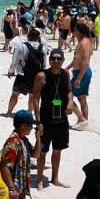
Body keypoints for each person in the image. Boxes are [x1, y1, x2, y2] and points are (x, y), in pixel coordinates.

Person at [32, 49, 73, 189]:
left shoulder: (65, 73)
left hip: (62, 120)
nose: (56, 61)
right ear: (49, 60)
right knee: (42, 152)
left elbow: (69, 91)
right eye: (53, 58)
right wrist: (38, 122)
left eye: (59, 58)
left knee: (57, 151)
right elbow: (35, 99)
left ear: (63, 60)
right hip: (46, 120)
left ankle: (55, 178)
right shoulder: (42, 76)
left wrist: (70, 102)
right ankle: (39, 179)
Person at [6, 28, 45, 116]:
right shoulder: (42, 47)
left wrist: (11, 70)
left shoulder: (23, 46)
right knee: (32, 95)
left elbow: (15, 59)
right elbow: (44, 62)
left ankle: (9, 112)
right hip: (36, 75)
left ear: (28, 36)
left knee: (15, 93)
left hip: (22, 74)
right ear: (38, 37)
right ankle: (29, 113)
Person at [67, 23, 93, 124]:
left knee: (66, 94)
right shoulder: (83, 42)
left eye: (75, 30)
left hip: (82, 72)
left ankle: (81, 119)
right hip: (82, 72)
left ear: (78, 32)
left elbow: (85, 63)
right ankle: (84, 122)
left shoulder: (84, 43)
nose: (73, 31)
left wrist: (78, 78)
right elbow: (77, 59)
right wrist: (68, 68)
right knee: (82, 98)